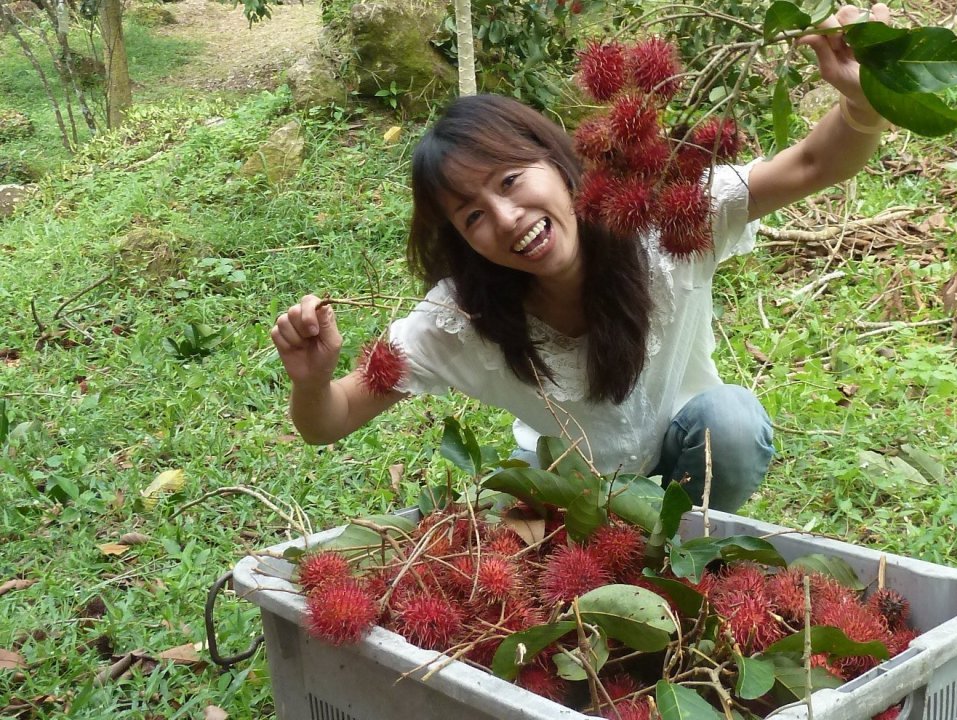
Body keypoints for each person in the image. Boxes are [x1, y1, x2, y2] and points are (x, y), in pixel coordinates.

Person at [271, 4, 893, 513]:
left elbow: (813, 164)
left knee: (732, 420)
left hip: (687, 460)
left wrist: (862, 103)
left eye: (511, 180)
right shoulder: (461, 317)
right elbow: (332, 419)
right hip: (562, 500)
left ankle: (690, 547)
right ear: (463, 242)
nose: (506, 217)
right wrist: (312, 381)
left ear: (556, 159)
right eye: (473, 216)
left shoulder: (659, 215)